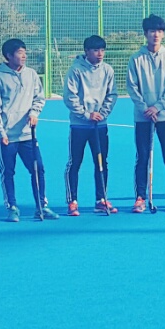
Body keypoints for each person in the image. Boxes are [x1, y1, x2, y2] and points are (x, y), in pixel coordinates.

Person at [0, 38, 58, 223]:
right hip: (7, 136)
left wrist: (34, 113)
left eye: (25, 52)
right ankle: (12, 207)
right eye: (20, 53)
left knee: (38, 168)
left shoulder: (31, 74)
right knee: (8, 172)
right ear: (9, 56)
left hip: (28, 134)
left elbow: (39, 98)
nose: (24, 55)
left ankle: (41, 205)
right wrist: (0, 132)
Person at [127, 14, 165, 212]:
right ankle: (140, 198)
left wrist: (158, 107)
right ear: (145, 34)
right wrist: (145, 108)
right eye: (152, 31)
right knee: (142, 157)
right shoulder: (136, 59)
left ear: (163, 34)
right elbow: (132, 87)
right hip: (142, 117)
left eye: (159, 31)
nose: (156, 35)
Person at [63, 34, 118, 216]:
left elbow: (112, 95)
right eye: (95, 50)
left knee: (101, 162)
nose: (100, 53)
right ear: (86, 51)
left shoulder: (108, 70)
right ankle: (72, 201)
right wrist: (87, 114)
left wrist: (102, 114)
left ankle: (101, 199)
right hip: (79, 126)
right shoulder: (75, 70)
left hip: (100, 125)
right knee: (75, 162)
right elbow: (70, 97)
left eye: (102, 50)